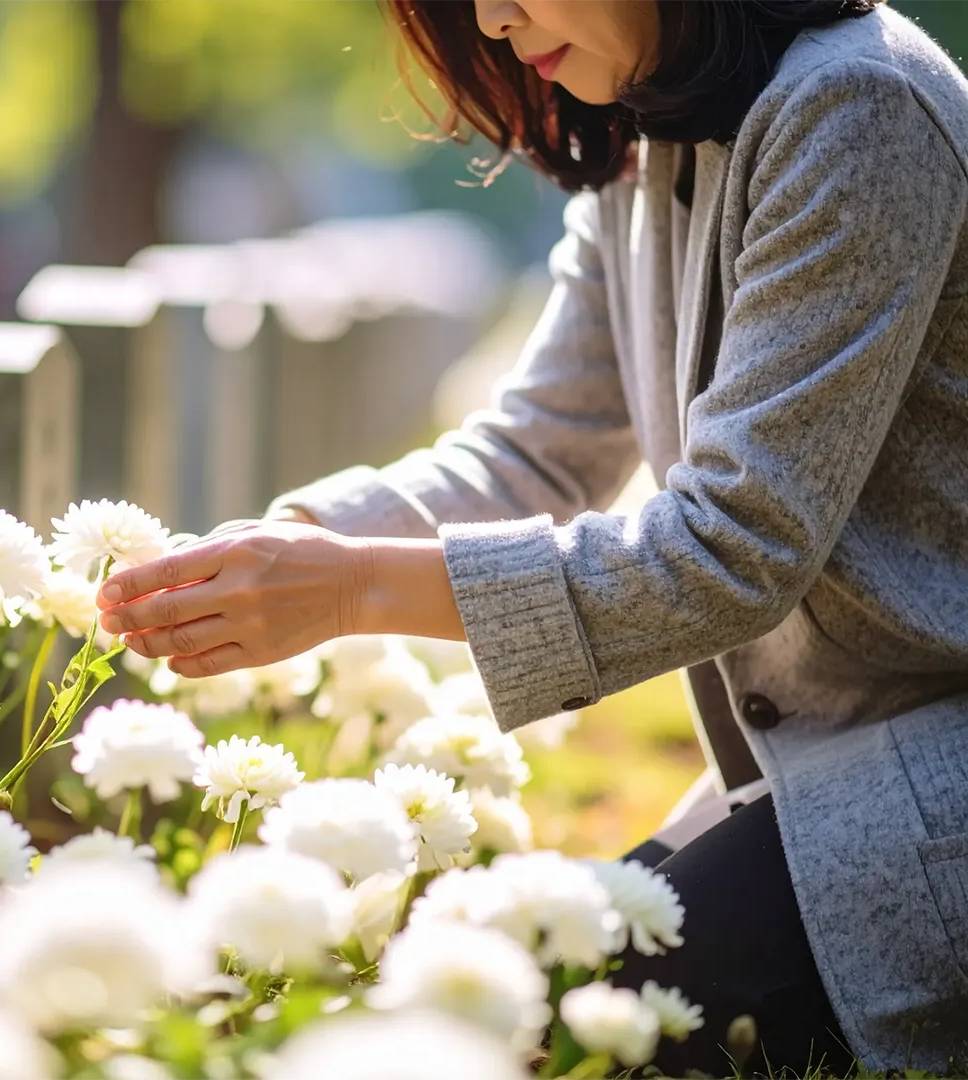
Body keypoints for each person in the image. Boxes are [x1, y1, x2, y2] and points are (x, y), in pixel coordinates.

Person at [97, 0, 968, 1073]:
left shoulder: (856, 105)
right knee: (526, 984)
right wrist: (293, 538)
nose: (494, 20)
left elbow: (730, 550)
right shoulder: (642, 133)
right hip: (813, 770)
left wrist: (347, 590)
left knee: (614, 1016)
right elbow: (538, 450)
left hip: (931, 768)